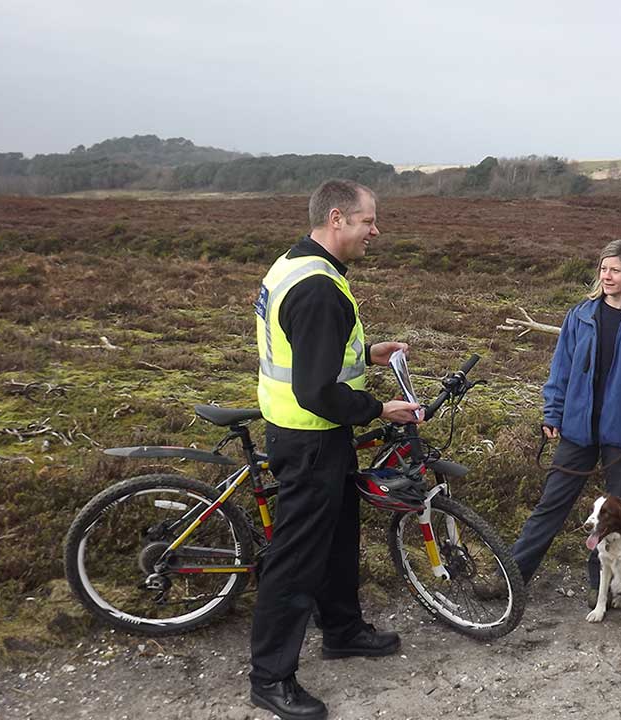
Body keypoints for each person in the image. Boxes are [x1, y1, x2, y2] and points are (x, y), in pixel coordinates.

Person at [250, 179, 421, 720]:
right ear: (338, 218)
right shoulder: (320, 288)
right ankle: (270, 678)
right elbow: (317, 389)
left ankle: (342, 630)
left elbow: (314, 352)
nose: (377, 230)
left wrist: (369, 353)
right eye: (369, 220)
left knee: (339, 533)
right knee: (297, 558)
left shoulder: (296, 264)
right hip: (310, 439)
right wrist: (378, 409)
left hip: (312, 436)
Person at [510, 238, 621, 589]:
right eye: (603, 269)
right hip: (577, 430)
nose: (607, 276)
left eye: (616, 270)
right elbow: (561, 370)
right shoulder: (580, 314)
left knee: (615, 519)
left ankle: (600, 589)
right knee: (550, 505)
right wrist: (552, 412)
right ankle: (511, 577)